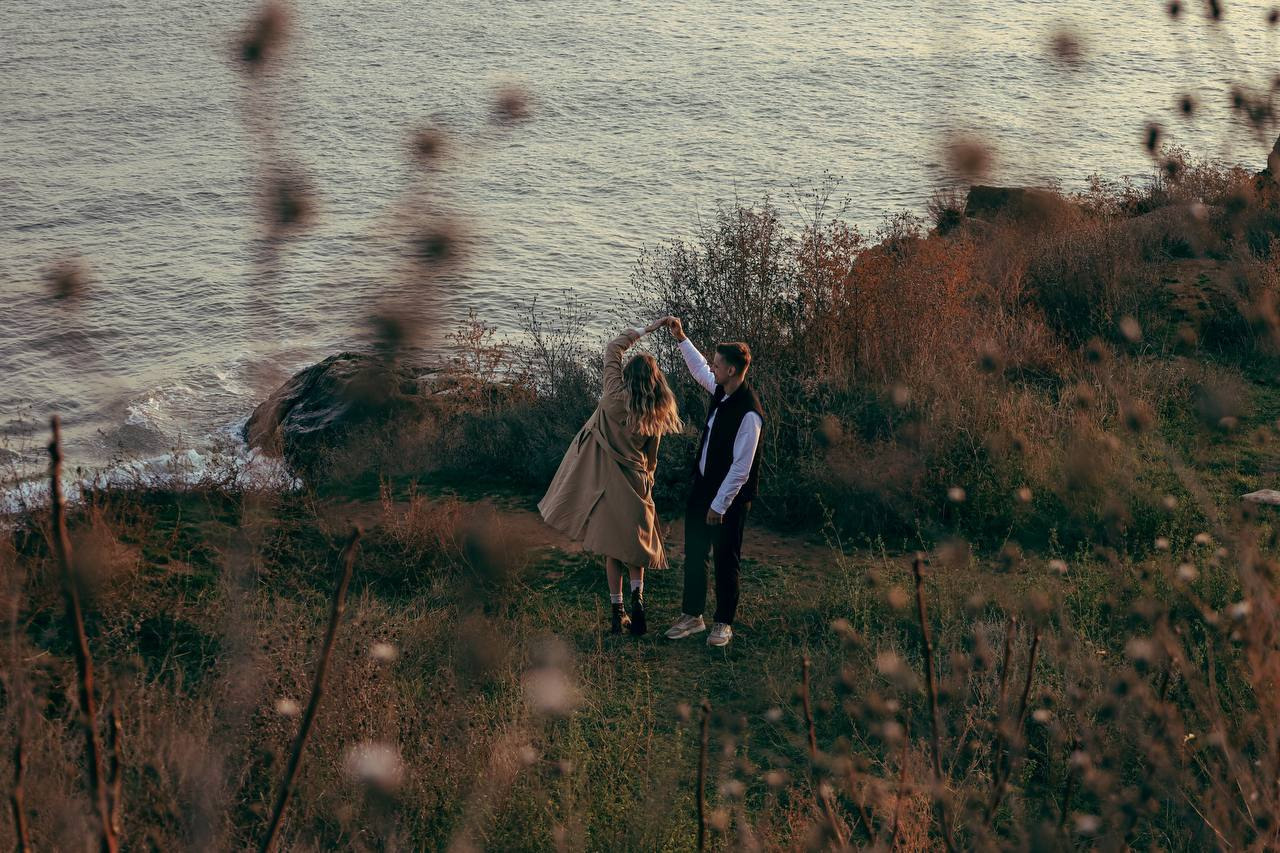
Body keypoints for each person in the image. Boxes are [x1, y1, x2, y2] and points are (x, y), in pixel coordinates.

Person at [538, 319, 683, 635]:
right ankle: (638, 604)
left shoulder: (614, 395)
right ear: (656, 382)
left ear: (627, 377)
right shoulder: (655, 412)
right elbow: (652, 459)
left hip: (607, 484)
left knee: (613, 550)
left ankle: (617, 614)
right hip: (637, 483)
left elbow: (612, 347)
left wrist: (650, 328)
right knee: (635, 548)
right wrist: (649, 486)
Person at [661, 317, 763, 648]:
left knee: (725, 559)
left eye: (719, 365)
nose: (714, 368)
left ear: (732, 370)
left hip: (729, 499)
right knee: (694, 553)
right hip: (703, 487)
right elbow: (700, 370)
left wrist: (719, 505)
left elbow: (741, 469)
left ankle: (723, 623)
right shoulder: (722, 389)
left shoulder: (749, 413)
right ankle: (692, 617)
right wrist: (681, 339)